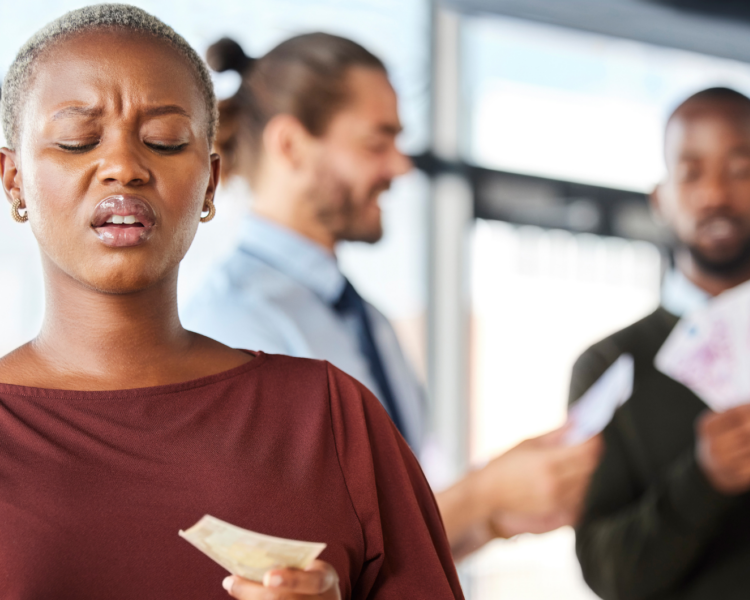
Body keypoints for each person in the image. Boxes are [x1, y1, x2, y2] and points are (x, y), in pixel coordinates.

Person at [0, 6, 463, 600]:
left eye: (164, 142)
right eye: (77, 139)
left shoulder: (332, 419)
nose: (122, 166)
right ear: (14, 180)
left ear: (210, 183)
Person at [182, 33, 602, 560]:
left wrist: (494, 514)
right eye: (376, 143)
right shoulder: (229, 322)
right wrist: (479, 495)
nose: (400, 167)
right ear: (290, 146)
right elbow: (283, 563)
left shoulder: (370, 323)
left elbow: (395, 554)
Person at [569, 87, 750, 599]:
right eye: (692, 172)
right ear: (661, 197)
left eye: (740, 169)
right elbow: (609, 577)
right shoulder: (608, 365)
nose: (715, 193)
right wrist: (703, 480)